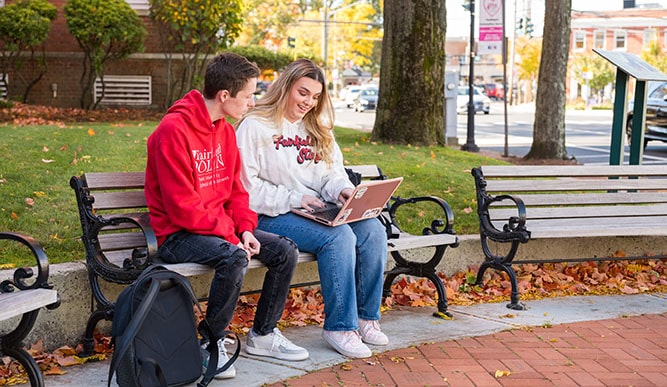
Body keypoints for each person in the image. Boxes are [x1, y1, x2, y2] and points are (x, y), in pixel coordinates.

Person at [144, 52, 309, 379]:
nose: (252, 102)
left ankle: (262, 334)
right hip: (177, 235)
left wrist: (245, 228)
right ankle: (210, 342)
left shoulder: (224, 130)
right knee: (234, 258)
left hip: (217, 230)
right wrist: (233, 237)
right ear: (224, 96)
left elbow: (236, 191)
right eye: (248, 95)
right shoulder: (172, 131)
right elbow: (183, 208)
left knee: (284, 250)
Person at [235, 59, 389, 359]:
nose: (308, 102)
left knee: (372, 229)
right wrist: (294, 199)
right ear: (285, 87)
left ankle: (365, 318)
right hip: (270, 216)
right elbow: (246, 188)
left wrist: (342, 190)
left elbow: (330, 173)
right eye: (302, 92)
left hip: (315, 211)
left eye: (316, 96)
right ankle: (340, 327)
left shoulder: (317, 127)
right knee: (338, 237)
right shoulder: (255, 125)